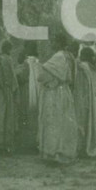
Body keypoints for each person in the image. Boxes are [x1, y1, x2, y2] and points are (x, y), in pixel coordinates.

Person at [38, 32, 78, 165]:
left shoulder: (59, 56)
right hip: (64, 92)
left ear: (58, 43)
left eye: (53, 41)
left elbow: (43, 75)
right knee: (63, 122)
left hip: (55, 93)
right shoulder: (69, 56)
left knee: (54, 122)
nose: (51, 44)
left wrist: (45, 81)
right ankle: (61, 153)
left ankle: (55, 153)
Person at [0, 40, 19, 155]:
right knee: (6, 117)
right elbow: (11, 76)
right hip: (5, 90)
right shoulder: (7, 59)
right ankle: (4, 145)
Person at [74, 46, 96, 158]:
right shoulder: (95, 67)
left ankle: (81, 148)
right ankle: (88, 146)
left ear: (84, 56)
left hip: (83, 98)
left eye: (81, 54)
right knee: (91, 122)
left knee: (81, 122)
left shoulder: (83, 67)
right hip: (93, 98)